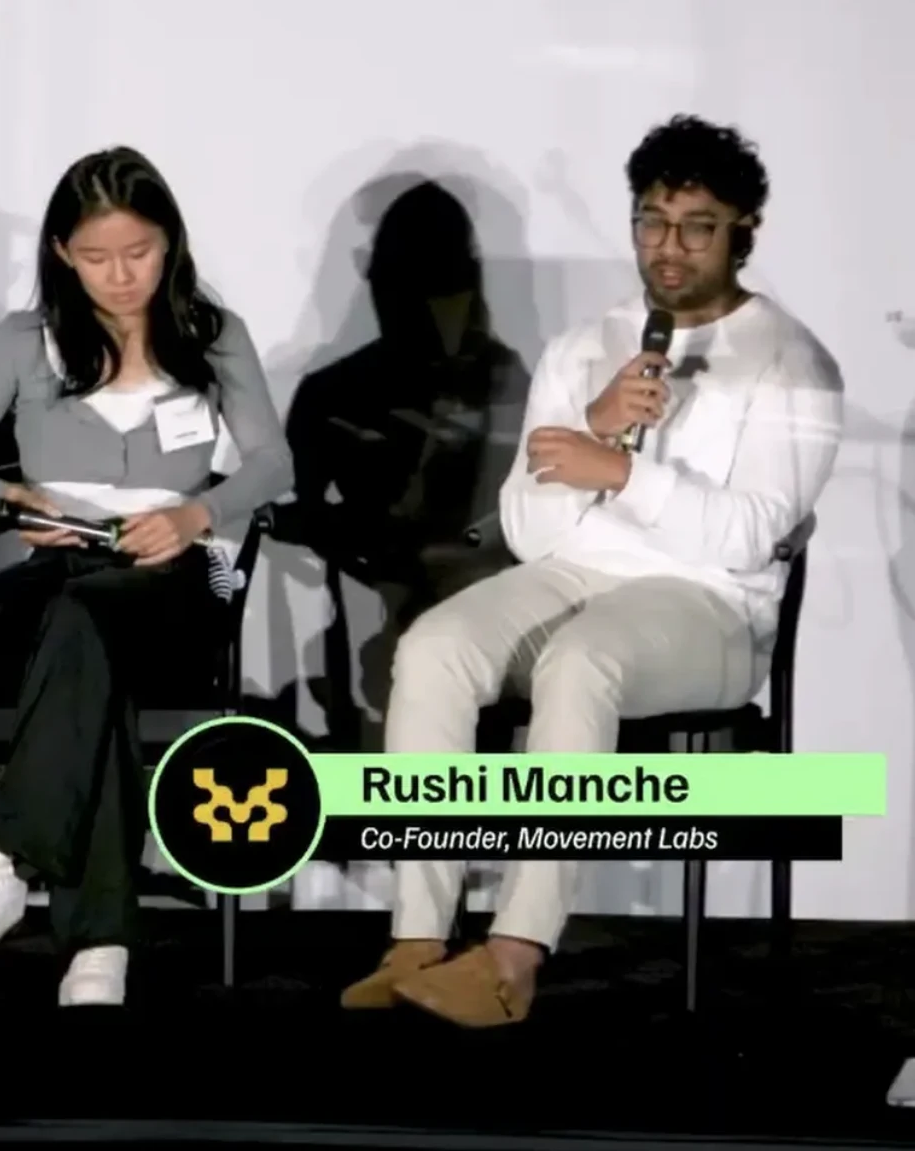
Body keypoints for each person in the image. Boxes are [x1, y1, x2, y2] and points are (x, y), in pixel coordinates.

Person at [339, 114, 843, 1028]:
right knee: (435, 646)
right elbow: (530, 530)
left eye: (697, 226)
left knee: (581, 662)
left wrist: (619, 471)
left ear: (745, 230)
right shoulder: (584, 346)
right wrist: (597, 424)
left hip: (712, 607)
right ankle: (417, 938)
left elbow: (750, 536)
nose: (669, 247)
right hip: (574, 572)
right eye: (652, 221)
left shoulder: (793, 364)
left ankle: (513, 956)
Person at [0, 146, 294, 1006]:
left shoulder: (212, 335)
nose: (120, 276)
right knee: (82, 633)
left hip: (172, 576)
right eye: (96, 257)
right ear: (61, 254)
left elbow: (274, 464)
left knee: (90, 630)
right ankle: (100, 941)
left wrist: (196, 515)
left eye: (138, 252)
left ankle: (11, 859)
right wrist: (11, 497)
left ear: (170, 243)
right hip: (49, 573)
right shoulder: (25, 341)